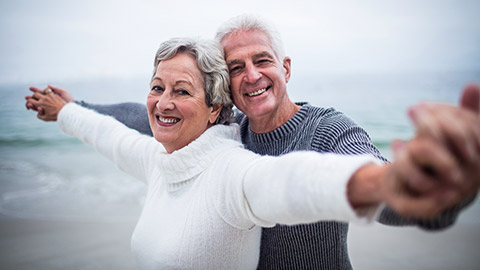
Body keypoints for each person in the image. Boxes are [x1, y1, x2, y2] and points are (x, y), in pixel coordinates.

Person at [25, 15, 480, 270]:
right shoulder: (226, 130)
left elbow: (313, 180)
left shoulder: (327, 130)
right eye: (236, 67)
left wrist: (420, 186)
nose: (252, 75)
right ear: (223, 90)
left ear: (285, 67)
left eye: (261, 61)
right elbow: (135, 120)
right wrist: (71, 107)